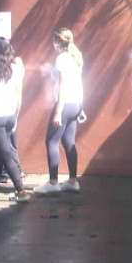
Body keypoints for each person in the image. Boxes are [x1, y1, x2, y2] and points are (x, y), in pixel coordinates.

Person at [36, 28, 85, 194]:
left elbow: (64, 85)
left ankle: (53, 182)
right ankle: (72, 181)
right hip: (75, 104)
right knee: (69, 142)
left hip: (64, 104)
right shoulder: (75, 56)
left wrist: (58, 111)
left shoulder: (62, 58)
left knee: (51, 142)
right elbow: (77, 83)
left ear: (57, 42)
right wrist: (80, 106)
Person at [0, 37, 30, 202]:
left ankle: (21, 190)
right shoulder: (16, 69)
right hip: (9, 115)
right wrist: (16, 117)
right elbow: (19, 96)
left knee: (5, 153)